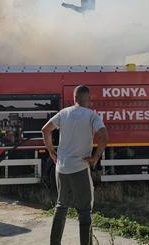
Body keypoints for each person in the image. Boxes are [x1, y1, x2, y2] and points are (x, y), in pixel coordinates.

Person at [42, 85, 108, 245]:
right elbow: (104, 136)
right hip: (79, 168)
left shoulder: (64, 113)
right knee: (84, 211)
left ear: (74, 99)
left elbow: (45, 130)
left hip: (61, 168)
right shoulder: (91, 115)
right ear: (89, 98)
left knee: (61, 206)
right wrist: (95, 157)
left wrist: (51, 152)